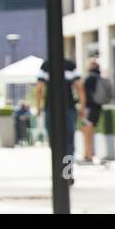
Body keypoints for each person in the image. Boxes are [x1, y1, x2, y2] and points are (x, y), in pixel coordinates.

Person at [34, 55, 82, 185]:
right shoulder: (71, 65)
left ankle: (57, 172)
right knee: (69, 142)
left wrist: (38, 108)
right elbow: (79, 86)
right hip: (69, 108)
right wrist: (82, 106)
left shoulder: (46, 65)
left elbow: (39, 89)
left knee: (54, 142)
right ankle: (67, 173)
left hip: (51, 109)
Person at [81, 58, 109, 162]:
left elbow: (84, 95)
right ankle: (90, 154)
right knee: (91, 131)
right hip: (97, 108)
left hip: (89, 108)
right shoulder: (99, 77)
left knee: (87, 131)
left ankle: (88, 155)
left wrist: (82, 108)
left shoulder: (89, 79)